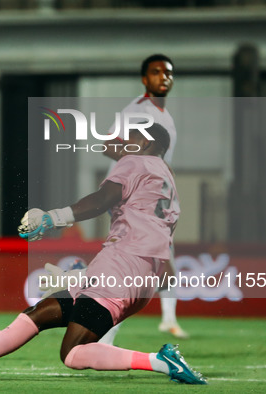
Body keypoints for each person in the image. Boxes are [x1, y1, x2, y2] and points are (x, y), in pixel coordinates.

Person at [0, 124, 206, 385]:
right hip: (137, 274)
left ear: (143, 142)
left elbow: (101, 201)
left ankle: (159, 361)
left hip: (121, 267)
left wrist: (52, 217)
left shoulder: (135, 161)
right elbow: (160, 252)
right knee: (36, 315)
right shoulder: (166, 178)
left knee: (72, 353)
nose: (121, 143)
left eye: (128, 138)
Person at [101, 54, 188, 343]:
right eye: (155, 72)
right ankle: (104, 332)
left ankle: (163, 320)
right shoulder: (138, 110)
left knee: (156, 262)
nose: (163, 77)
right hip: (134, 197)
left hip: (152, 199)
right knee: (139, 264)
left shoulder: (164, 115)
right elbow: (108, 145)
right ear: (144, 79)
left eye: (168, 73)